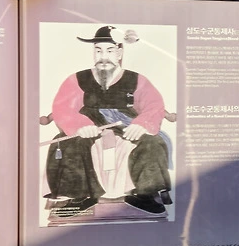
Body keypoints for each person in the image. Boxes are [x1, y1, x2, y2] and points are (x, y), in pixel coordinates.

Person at [45, 25, 172, 218]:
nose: (103, 56)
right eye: (98, 50)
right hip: (88, 123)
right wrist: (79, 125)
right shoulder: (77, 79)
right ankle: (79, 197)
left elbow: (154, 104)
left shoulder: (136, 79)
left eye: (110, 50)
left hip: (126, 122)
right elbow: (62, 107)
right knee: (69, 143)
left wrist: (142, 124)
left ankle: (146, 195)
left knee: (152, 143)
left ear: (119, 52)